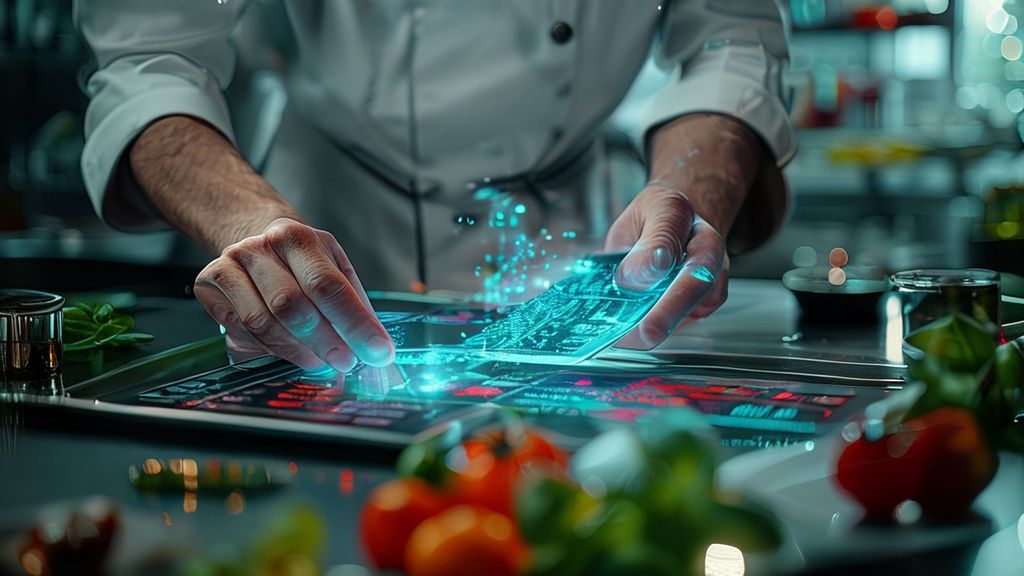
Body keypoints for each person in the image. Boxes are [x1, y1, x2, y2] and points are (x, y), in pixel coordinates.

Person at [74, 0, 794, 373]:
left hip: (587, 231)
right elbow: (152, 59)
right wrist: (251, 226)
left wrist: (684, 192)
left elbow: (728, 41)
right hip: (333, 218)